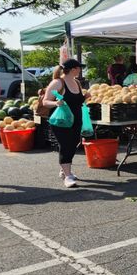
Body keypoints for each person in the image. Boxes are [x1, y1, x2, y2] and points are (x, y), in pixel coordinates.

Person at [42, 58, 90, 188]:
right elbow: (45, 101)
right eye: (79, 68)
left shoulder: (77, 83)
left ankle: (64, 170)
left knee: (74, 143)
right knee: (65, 144)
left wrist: (86, 97)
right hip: (61, 121)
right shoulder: (57, 83)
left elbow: (78, 102)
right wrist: (55, 103)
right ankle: (68, 176)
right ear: (73, 69)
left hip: (76, 119)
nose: (80, 70)